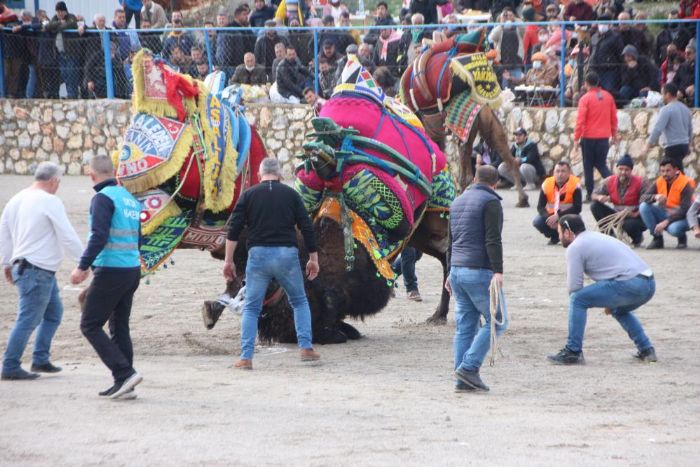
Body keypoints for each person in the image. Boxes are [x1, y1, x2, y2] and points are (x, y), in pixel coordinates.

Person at [224, 157, 321, 370]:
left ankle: (246, 357)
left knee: (251, 308)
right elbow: (306, 227)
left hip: (258, 256)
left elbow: (233, 230)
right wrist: (313, 259)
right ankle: (306, 348)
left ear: (259, 176)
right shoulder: (291, 195)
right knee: (299, 301)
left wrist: (228, 261)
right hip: (287, 255)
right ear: (280, 175)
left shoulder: (248, 195)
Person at [0, 162, 83, 381]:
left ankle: (40, 358)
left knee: (53, 313)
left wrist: (7, 263)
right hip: (37, 270)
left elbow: (5, 233)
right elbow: (67, 234)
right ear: (54, 180)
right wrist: (85, 262)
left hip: (27, 267)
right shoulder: (50, 201)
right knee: (28, 319)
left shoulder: (16, 198)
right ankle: (10, 365)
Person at [70, 155, 143, 400]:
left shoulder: (102, 198)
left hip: (112, 270)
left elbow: (98, 236)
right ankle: (124, 384)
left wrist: (83, 266)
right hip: (131, 269)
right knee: (119, 326)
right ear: (113, 172)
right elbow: (138, 238)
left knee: (90, 324)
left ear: (92, 175)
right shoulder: (129, 199)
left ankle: (125, 372)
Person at [547, 214, 657, 365]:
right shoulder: (595, 236)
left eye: (560, 232)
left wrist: (602, 297)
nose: (559, 237)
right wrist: (609, 299)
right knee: (618, 310)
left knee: (577, 299)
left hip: (629, 283)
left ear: (567, 232)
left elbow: (574, 288)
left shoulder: (575, 247)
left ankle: (573, 351)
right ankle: (646, 350)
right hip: (649, 284)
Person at [447, 165, 507, 393]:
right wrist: (498, 270)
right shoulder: (491, 202)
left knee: (465, 327)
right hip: (478, 270)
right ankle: (469, 368)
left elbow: (450, 241)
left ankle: (462, 379)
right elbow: (493, 239)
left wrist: (449, 273)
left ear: (474, 179)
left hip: (457, 270)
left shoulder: (458, 201)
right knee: (498, 321)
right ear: (496, 183)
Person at [574, 71, 617, 202]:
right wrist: (614, 134)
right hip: (604, 137)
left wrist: (576, 138)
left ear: (586, 83)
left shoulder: (585, 99)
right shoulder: (608, 97)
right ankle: (615, 186)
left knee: (588, 167)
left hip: (588, 137)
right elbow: (613, 118)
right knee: (601, 164)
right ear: (598, 82)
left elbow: (580, 120)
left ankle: (589, 194)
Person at [590, 154, 647, 246]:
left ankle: (637, 238)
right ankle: (609, 236)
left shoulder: (641, 182)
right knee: (594, 206)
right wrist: (599, 197)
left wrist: (634, 214)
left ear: (631, 171)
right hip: (617, 216)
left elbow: (646, 202)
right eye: (621, 169)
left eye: (626, 170)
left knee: (628, 225)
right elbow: (593, 194)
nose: (623, 172)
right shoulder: (609, 181)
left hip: (636, 216)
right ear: (616, 169)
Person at [639, 158, 694, 250]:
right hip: (666, 213)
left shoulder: (685, 183)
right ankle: (657, 239)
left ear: (676, 170)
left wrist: (666, 222)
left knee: (674, 229)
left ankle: (682, 237)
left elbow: (685, 210)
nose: (665, 174)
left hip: (684, 217)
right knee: (643, 207)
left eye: (668, 171)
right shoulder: (659, 181)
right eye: (662, 171)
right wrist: (654, 197)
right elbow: (642, 198)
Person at [643, 83, 693, 172]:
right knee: (677, 172)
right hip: (684, 146)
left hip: (672, 147)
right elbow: (690, 130)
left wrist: (647, 145)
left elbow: (658, 129)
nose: (662, 96)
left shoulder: (666, 110)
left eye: (663, 94)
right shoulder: (685, 109)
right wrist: (689, 145)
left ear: (668, 94)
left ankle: (684, 186)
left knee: (671, 174)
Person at [533, 161, 582, 245]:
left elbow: (577, 208)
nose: (560, 174)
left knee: (575, 226)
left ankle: (568, 236)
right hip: (551, 215)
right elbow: (540, 207)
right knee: (537, 221)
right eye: (557, 171)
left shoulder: (575, 185)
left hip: (569, 216)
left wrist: (558, 217)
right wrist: (549, 219)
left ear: (569, 173)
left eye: (563, 171)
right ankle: (555, 236)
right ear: (553, 173)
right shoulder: (546, 184)